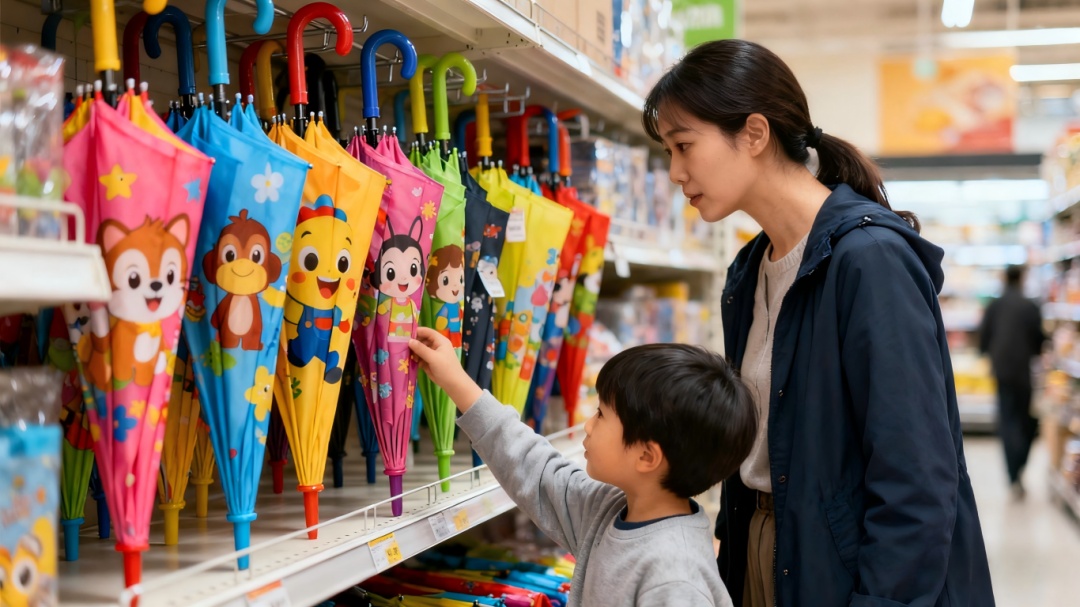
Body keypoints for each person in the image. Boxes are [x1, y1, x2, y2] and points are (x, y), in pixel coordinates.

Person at [643, 39, 994, 607]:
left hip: (850, 573)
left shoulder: (870, 261)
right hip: (768, 554)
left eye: (683, 146)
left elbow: (917, 479)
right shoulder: (749, 271)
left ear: (754, 134)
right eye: (668, 152)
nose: (675, 172)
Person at [409, 327, 757, 606]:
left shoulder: (674, 579)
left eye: (602, 413)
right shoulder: (610, 509)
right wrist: (455, 380)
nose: (588, 425)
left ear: (646, 457)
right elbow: (535, 468)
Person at [979, 265, 1046, 498]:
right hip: (1023, 371)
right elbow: (1039, 340)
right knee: (1026, 420)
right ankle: (1019, 467)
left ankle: (1012, 473)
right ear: (1022, 279)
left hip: (1001, 370)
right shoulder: (1030, 305)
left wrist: (988, 354)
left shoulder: (994, 305)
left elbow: (984, 337)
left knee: (1007, 420)